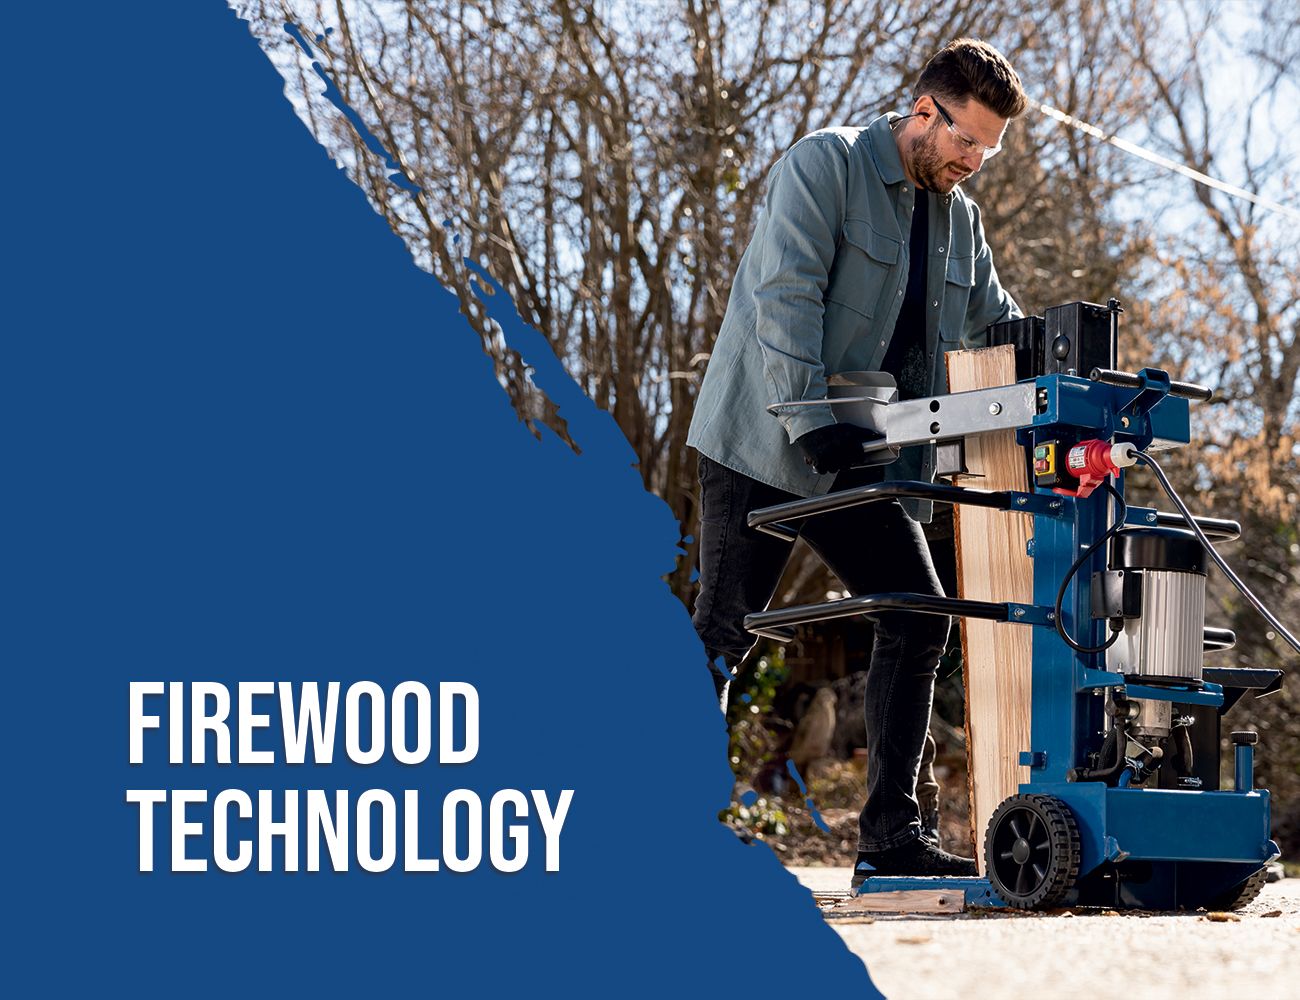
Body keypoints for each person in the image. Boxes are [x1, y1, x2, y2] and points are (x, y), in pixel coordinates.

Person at [687, 38, 1027, 886]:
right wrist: (809, 416)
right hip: (765, 437)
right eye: (966, 141)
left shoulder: (959, 221)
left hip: (862, 456)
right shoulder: (825, 166)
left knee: (919, 616)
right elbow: (785, 293)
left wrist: (1063, 353)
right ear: (924, 113)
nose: (974, 162)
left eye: (988, 148)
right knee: (722, 632)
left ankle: (889, 838)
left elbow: (997, 324)